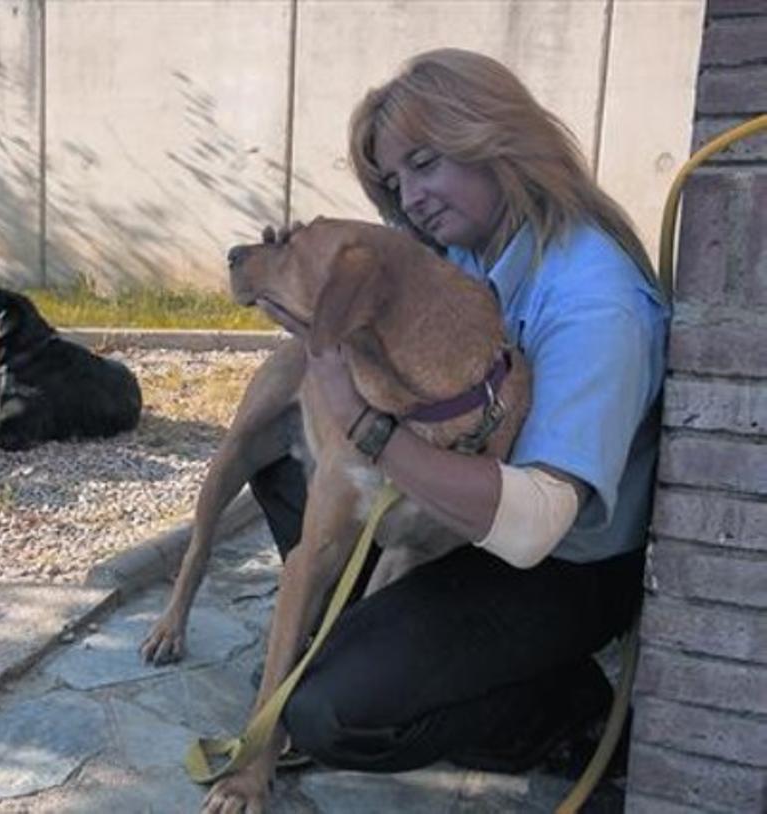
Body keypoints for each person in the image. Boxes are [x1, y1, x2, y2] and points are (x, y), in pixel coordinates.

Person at [206, 48, 668, 811]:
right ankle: (389, 633)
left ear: (494, 137)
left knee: (333, 713)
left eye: (426, 164)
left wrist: (369, 429)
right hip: (460, 519)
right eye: (394, 181)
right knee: (286, 475)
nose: (411, 197)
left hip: (560, 565)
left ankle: (569, 713)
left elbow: (533, 525)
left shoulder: (593, 300)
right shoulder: (464, 254)